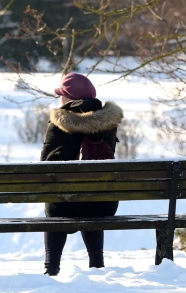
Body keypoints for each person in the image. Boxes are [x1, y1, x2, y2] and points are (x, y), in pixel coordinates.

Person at [40, 72, 124, 276]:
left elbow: (45, 166)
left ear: (69, 98)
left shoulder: (59, 124)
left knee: (56, 204)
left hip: (64, 204)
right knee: (92, 195)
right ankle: (96, 263)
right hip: (103, 204)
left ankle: (51, 268)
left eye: (61, 94)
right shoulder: (109, 123)